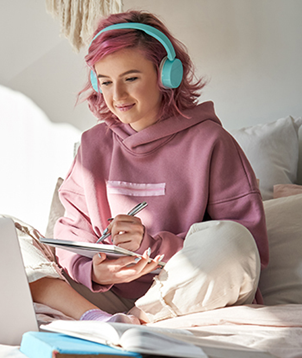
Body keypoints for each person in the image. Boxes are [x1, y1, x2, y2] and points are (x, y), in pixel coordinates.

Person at [26, 10, 268, 324]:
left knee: (233, 241)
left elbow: (248, 248)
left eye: (131, 78)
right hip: (107, 298)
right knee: (13, 236)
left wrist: (151, 247)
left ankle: (137, 321)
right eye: (106, 82)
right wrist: (93, 271)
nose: (117, 96)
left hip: (187, 293)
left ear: (167, 75)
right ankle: (98, 321)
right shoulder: (92, 145)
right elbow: (72, 231)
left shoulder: (212, 142)